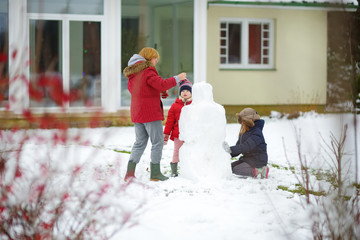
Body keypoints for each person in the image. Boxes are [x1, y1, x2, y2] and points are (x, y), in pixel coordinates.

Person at [123, 47, 187, 181]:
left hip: (137, 113)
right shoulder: (148, 70)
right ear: (149, 58)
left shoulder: (134, 73)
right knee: (157, 142)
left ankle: (129, 173)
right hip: (150, 113)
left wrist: (158, 91)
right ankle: (155, 173)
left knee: (140, 142)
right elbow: (161, 84)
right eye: (155, 58)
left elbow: (144, 89)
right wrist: (177, 78)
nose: (156, 61)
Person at [222, 108, 269, 178]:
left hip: (257, 160)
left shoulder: (257, 133)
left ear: (249, 121)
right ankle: (252, 168)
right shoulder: (245, 131)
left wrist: (230, 149)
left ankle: (260, 170)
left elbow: (246, 146)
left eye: (243, 121)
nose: (242, 124)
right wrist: (227, 153)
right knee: (230, 168)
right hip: (248, 159)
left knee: (237, 169)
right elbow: (239, 146)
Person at [163, 79, 193, 177]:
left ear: (191, 93)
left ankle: (190, 169)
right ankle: (174, 170)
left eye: (188, 91)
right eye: (183, 91)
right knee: (177, 151)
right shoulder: (175, 106)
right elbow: (169, 122)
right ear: (180, 93)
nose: (185, 93)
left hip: (190, 134)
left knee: (190, 152)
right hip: (178, 134)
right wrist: (166, 135)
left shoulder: (194, 106)